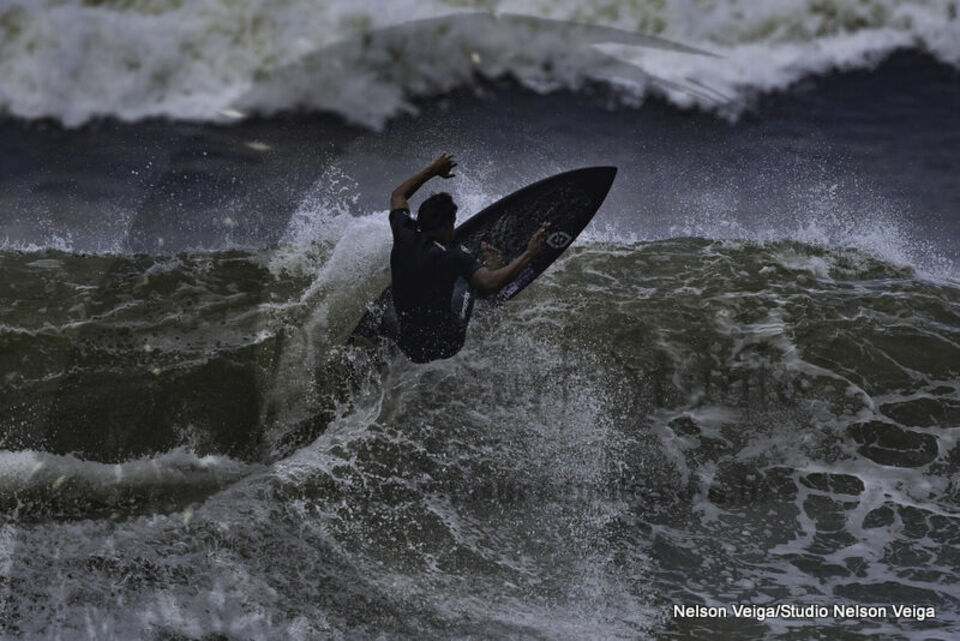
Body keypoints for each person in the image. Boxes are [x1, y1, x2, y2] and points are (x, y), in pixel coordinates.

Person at [385, 153, 549, 363]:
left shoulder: (403, 233)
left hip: (410, 348)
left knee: (402, 307)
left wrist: (433, 170)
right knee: (468, 281)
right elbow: (491, 283)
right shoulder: (455, 257)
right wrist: (529, 254)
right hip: (446, 344)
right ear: (447, 226)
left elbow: (398, 195)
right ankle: (489, 297)